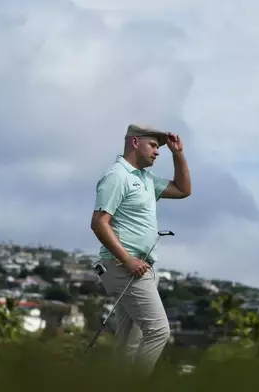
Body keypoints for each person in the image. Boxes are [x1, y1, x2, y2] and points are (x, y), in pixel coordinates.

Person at [90, 124, 192, 377]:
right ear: (135, 142)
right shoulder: (117, 176)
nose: (158, 152)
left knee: (128, 342)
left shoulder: (146, 179)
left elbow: (183, 190)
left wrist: (178, 154)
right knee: (159, 331)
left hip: (138, 268)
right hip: (125, 267)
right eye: (154, 146)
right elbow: (99, 223)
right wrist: (127, 260)